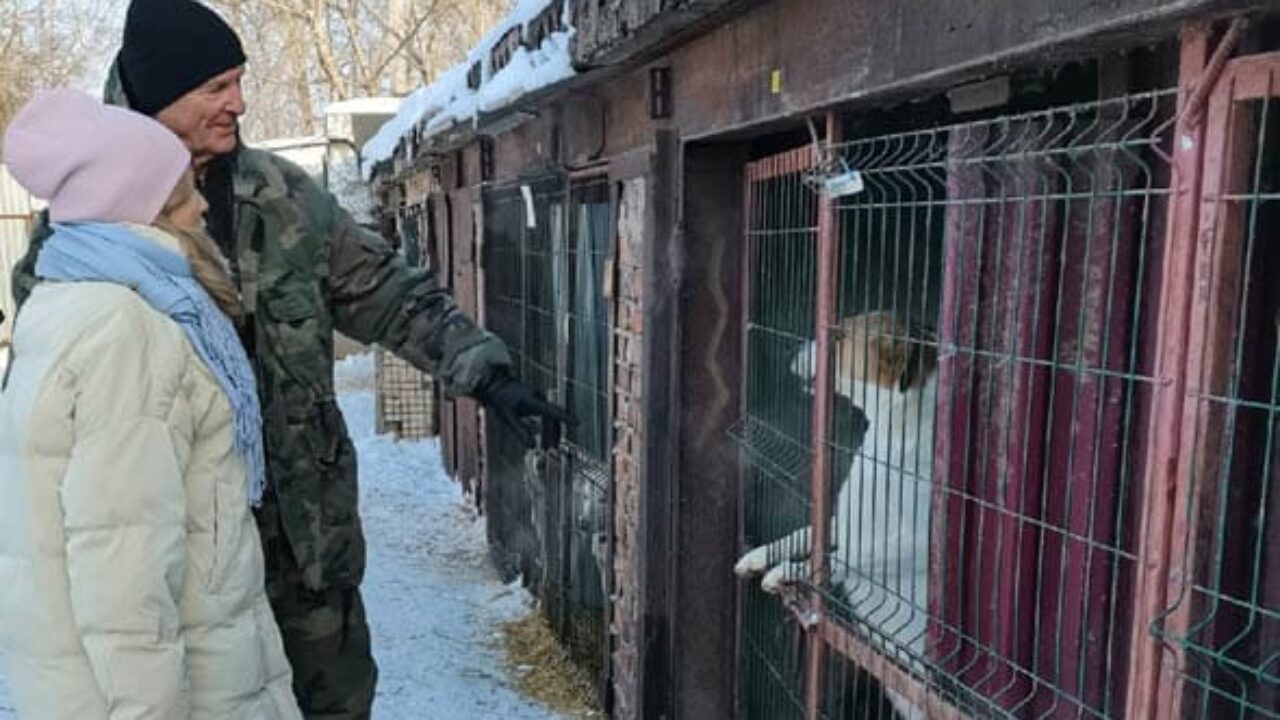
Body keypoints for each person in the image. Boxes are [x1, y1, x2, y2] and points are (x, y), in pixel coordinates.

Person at [10, 2, 571, 717]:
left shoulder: (281, 197)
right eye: (216, 87)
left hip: (303, 545)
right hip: (177, 567)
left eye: (240, 81)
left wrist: (489, 376)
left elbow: (387, 292)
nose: (239, 103)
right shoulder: (80, 236)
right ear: (158, 94)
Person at [0, 89, 303, 720]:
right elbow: (123, 566)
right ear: (139, 211)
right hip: (168, 693)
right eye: (182, 194)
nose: (200, 207)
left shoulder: (75, 297)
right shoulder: (126, 326)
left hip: (167, 670)